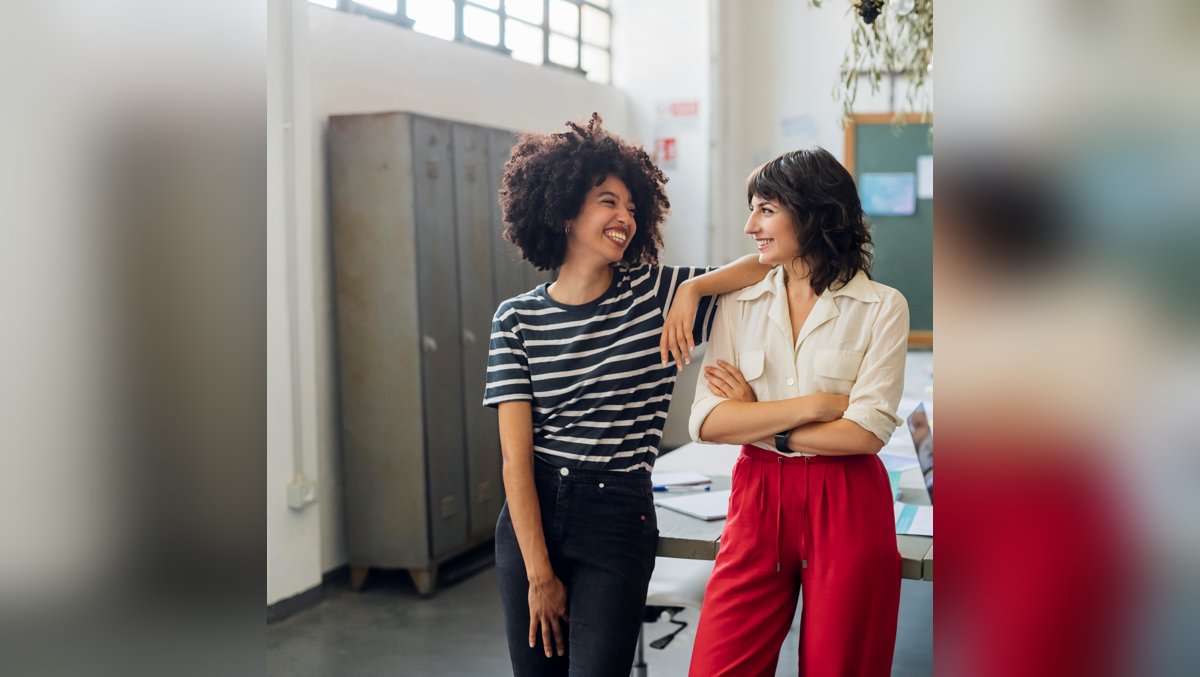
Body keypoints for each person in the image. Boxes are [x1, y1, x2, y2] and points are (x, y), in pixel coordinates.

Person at [483, 113, 771, 676]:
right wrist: (539, 576)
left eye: (633, 208)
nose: (625, 218)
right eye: (607, 202)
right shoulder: (516, 319)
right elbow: (516, 459)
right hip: (533, 514)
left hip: (617, 515)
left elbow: (768, 264)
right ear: (564, 209)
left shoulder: (657, 294)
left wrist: (693, 287)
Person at [686, 147, 909, 677]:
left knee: (842, 666)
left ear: (812, 212)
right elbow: (709, 422)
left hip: (848, 500)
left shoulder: (882, 308)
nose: (749, 226)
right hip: (757, 498)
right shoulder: (739, 304)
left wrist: (765, 423)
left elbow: (864, 434)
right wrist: (810, 408)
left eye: (765, 209)